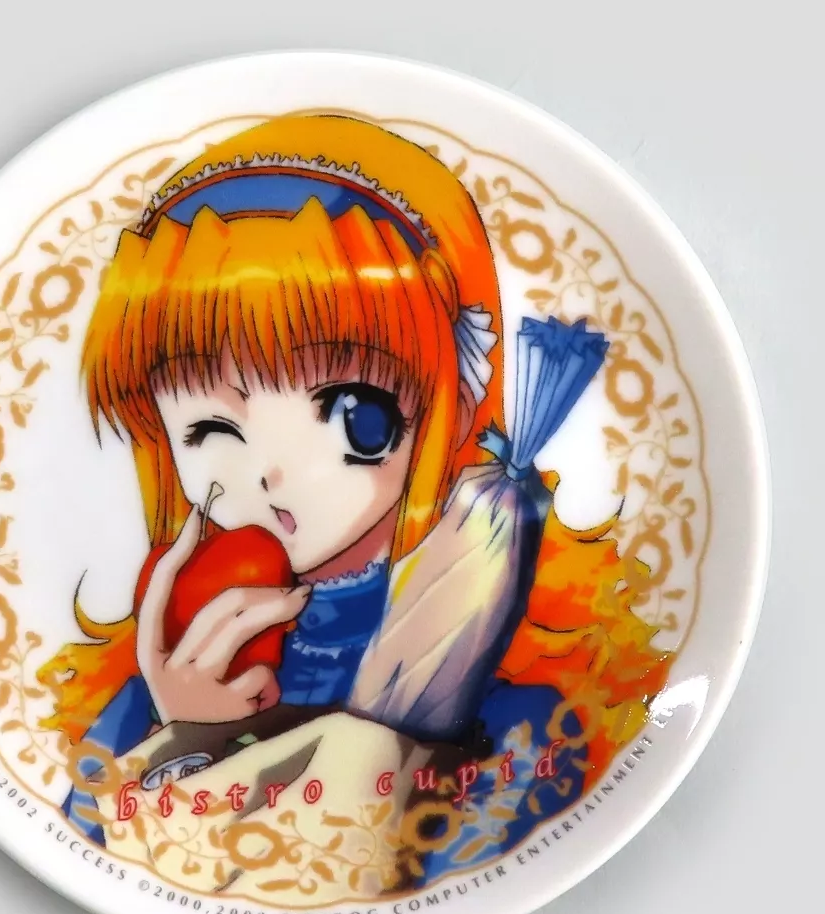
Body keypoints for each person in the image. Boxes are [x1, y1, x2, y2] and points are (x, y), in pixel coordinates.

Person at [38, 115, 670, 868]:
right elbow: (93, 850)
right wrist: (184, 729)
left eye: (347, 409)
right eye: (209, 428)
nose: (270, 473)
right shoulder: (177, 661)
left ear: (455, 404)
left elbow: (457, 857)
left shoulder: (501, 661)